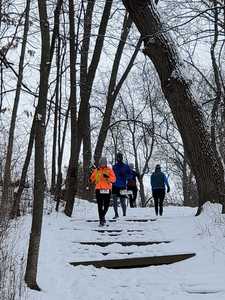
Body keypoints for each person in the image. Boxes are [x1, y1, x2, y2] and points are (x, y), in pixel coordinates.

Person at [90, 157, 116, 226]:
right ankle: (101, 220)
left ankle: (102, 216)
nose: (102, 165)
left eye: (104, 164)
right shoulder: (97, 170)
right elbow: (92, 178)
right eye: (101, 164)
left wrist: (108, 177)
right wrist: (91, 178)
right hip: (98, 189)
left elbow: (114, 179)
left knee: (106, 205)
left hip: (107, 189)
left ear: (106, 163)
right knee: (100, 205)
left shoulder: (109, 170)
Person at [112, 152, 131, 218]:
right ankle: (116, 214)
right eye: (117, 157)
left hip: (122, 186)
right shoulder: (114, 167)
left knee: (123, 201)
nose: (118, 158)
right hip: (114, 186)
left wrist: (125, 175)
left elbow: (130, 176)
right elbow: (111, 176)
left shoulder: (126, 167)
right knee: (114, 201)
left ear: (122, 158)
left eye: (119, 157)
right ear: (116, 158)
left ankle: (124, 214)